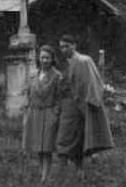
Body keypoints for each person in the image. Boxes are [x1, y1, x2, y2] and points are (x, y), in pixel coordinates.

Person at [56, 34, 114, 178]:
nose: (64, 49)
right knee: (63, 135)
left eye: (67, 46)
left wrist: (91, 101)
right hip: (68, 105)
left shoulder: (84, 60)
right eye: (61, 47)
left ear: (74, 45)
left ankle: (79, 168)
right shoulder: (63, 64)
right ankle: (62, 170)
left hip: (83, 104)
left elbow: (94, 81)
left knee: (80, 136)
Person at [22, 44, 63, 184]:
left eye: (47, 58)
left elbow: (59, 98)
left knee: (47, 148)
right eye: (42, 57)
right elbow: (28, 93)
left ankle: (45, 178)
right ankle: (42, 174)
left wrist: (55, 114)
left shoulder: (57, 76)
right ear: (38, 59)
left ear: (52, 59)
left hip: (48, 114)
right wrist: (27, 110)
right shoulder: (33, 75)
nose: (44, 60)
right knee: (38, 148)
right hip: (35, 114)